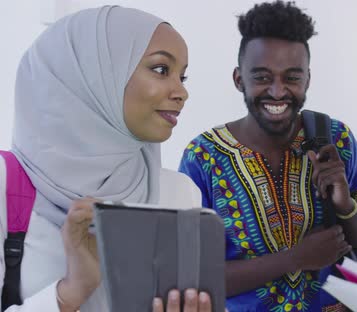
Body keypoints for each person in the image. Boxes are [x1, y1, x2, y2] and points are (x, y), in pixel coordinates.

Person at [0, 6, 212, 311]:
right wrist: (69, 293)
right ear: (93, 72)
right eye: (162, 69)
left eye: (183, 75)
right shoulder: (6, 188)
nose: (182, 92)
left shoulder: (178, 193)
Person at [178, 1, 357, 311]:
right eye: (262, 77)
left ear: (308, 80)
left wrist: (344, 205)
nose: (277, 91)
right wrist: (295, 258)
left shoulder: (336, 138)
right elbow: (193, 276)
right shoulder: (203, 157)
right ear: (238, 79)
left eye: (292, 77)